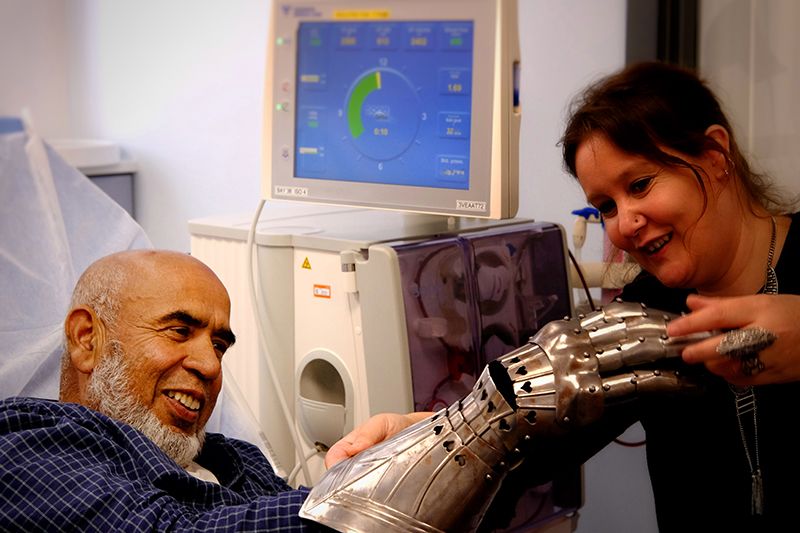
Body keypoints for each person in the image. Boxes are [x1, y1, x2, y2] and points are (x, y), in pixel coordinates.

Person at [324, 62, 800, 532]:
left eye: (640, 185)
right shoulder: (647, 310)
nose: (626, 223)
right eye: (607, 206)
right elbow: (526, 431)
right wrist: (412, 432)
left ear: (715, 155)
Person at [0, 249, 329, 531]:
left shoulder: (238, 460)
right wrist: (353, 501)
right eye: (180, 331)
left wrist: (368, 466)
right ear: (87, 338)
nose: (211, 365)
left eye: (218, 345)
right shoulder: (24, 448)